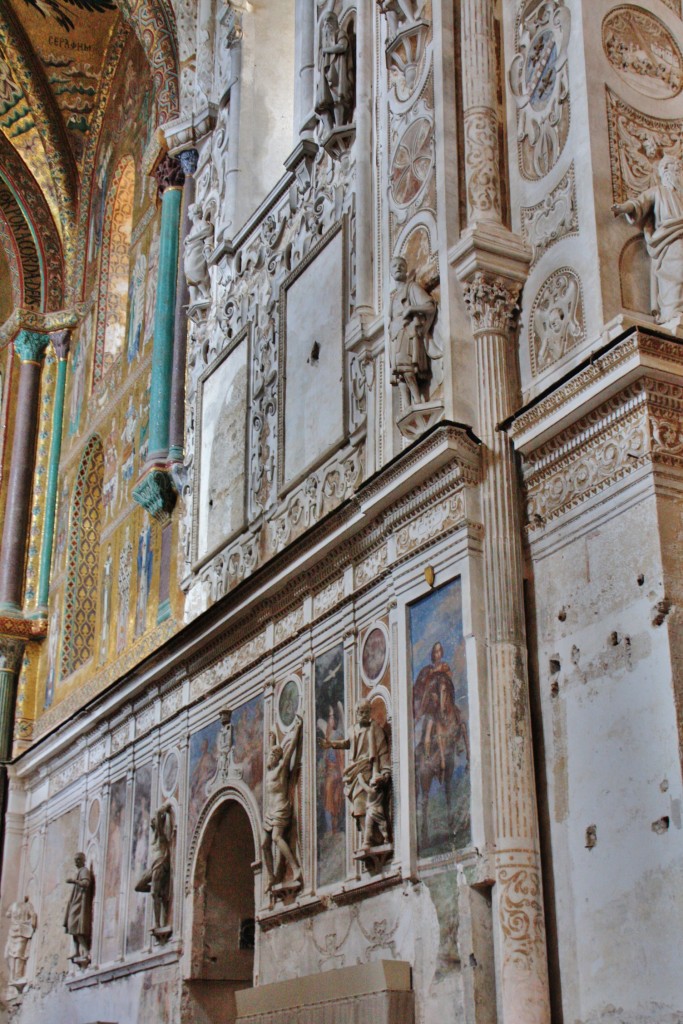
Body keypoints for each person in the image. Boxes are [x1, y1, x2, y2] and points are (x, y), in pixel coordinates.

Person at [612, 154, 683, 324]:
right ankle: (674, 312)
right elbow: (638, 203)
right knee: (677, 274)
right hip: (669, 241)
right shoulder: (658, 192)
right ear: (666, 170)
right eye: (677, 168)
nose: (680, 172)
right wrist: (623, 208)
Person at [319, 700, 391, 846]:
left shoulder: (374, 728)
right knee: (359, 807)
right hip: (355, 772)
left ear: (370, 712)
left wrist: (385, 772)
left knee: (372, 807)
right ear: (356, 713)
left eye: (366, 712)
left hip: (370, 771)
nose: (364, 715)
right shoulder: (351, 730)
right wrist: (331, 744)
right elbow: (346, 743)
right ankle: (367, 839)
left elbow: (383, 750)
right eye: (361, 712)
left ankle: (373, 839)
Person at [262, 715, 303, 893]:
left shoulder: (280, 769)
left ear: (277, 758)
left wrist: (297, 731)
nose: (269, 757)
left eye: (272, 755)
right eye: (269, 755)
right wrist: (272, 737)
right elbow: (274, 748)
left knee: (276, 837)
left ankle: (295, 867)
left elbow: (289, 751)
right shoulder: (269, 772)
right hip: (270, 811)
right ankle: (271, 876)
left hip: (281, 808)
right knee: (264, 844)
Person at [388, 256, 436, 406]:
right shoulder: (394, 298)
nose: (398, 268)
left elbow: (430, 306)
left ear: (406, 269)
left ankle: (416, 400)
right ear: (390, 271)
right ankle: (407, 407)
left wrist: (412, 308)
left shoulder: (412, 287)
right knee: (399, 374)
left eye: (401, 265)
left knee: (406, 368)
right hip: (395, 335)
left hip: (407, 332)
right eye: (394, 266)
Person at [135, 802, 174, 933]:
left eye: (154, 821)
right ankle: (160, 891)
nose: (152, 822)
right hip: (153, 867)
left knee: (153, 893)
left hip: (161, 864)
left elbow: (157, 813)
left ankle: (157, 923)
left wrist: (166, 808)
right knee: (138, 885)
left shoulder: (160, 837)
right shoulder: (153, 839)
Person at [315, 11, 354, 135]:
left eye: (329, 20)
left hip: (338, 71)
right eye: (325, 21)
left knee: (337, 97)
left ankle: (339, 125)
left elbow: (342, 46)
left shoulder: (340, 33)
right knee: (322, 103)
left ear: (335, 22)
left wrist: (327, 50)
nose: (326, 23)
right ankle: (330, 130)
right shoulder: (324, 43)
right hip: (326, 75)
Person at [64, 852, 92, 962]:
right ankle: (76, 951)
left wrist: (73, 881)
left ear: (83, 860)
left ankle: (85, 950)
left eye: (78, 859)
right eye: (75, 860)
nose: (76, 862)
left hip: (80, 903)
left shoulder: (85, 871)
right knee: (71, 926)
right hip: (75, 901)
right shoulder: (80, 871)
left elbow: (86, 883)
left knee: (76, 926)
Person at [5, 897, 36, 983]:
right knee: (8, 955)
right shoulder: (14, 905)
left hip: (22, 931)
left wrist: (31, 923)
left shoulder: (28, 906)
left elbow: (33, 915)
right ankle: (12, 976)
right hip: (13, 931)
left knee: (19, 954)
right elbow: (7, 914)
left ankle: (18, 976)